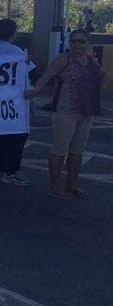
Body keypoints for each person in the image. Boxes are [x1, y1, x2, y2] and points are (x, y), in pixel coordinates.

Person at [25, 29, 111, 199]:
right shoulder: (64, 59)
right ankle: (56, 186)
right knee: (60, 150)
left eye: (81, 41)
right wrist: (35, 91)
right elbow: (47, 75)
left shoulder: (91, 60)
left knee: (78, 151)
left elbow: (103, 77)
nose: (77, 44)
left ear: (87, 43)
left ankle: (72, 184)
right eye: (74, 41)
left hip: (87, 110)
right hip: (66, 110)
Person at [0, 18, 32, 187]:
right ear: (13, 32)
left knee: (1, 135)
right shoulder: (15, 50)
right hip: (16, 99)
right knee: (17, 136)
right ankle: (11, 171)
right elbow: (31, 71)